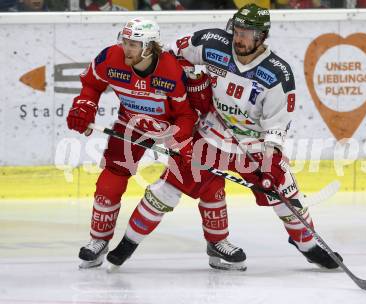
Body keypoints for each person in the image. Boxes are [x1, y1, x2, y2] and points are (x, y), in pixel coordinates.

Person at [108, 3, 343, 271]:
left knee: (285, 194)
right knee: (167, 190)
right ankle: (127, 245)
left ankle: (309, 246)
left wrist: (269, 161)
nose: (239, 38)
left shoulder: (278, 74)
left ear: (262, 37)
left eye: (247, 34)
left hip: (252, 145)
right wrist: (189, 77)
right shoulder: (212, 43)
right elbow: (169, 54)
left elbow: (276, 128)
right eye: (237, 31)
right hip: (211, 133)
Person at [66, 18, 198, 269]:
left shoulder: (170, 70)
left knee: (191, 182)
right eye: (125, 42)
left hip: (168, 127)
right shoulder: (110, 57)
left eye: (134, 44)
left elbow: (186, 113)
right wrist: (85, 106)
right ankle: (98, 241)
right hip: (131, 124)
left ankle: (217, 241)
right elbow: (92, 85)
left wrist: (181, 140)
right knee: (109, 180)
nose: (126, 49)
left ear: (150, 47)